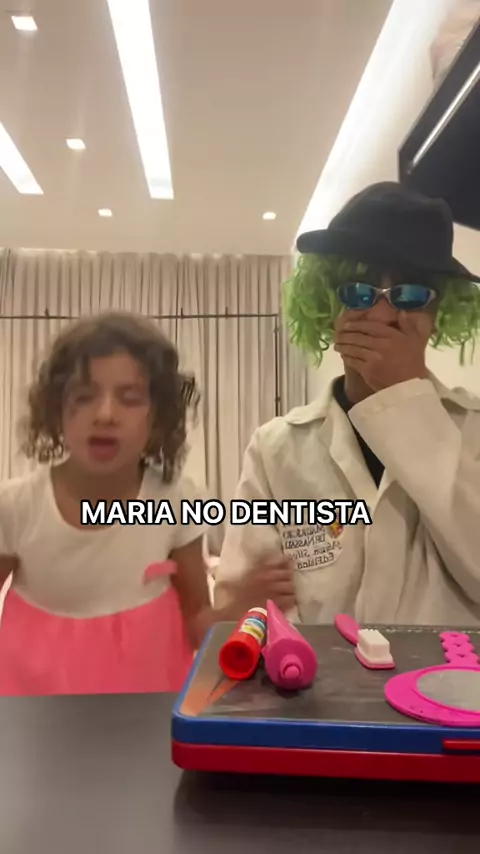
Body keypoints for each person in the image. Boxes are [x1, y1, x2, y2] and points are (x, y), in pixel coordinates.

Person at [215, 181, 480, 627]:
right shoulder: (276, 448)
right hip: (313, 673)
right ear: (326, 307)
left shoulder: (474, 428)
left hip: (451, 673)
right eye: (358, 293)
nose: (382, 315)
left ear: (437, 314)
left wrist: (405, 398)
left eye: (410, 294)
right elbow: (249, 607)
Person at [0, 311, 243, 696]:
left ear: (158, 417)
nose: (106, 415)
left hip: (151, 704)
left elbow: (198, 621)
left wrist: (239, 607)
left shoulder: (178, 499)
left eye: (129, 399)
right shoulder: (14, 507)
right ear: (56, 409)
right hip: (34, 711)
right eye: (84, 397)